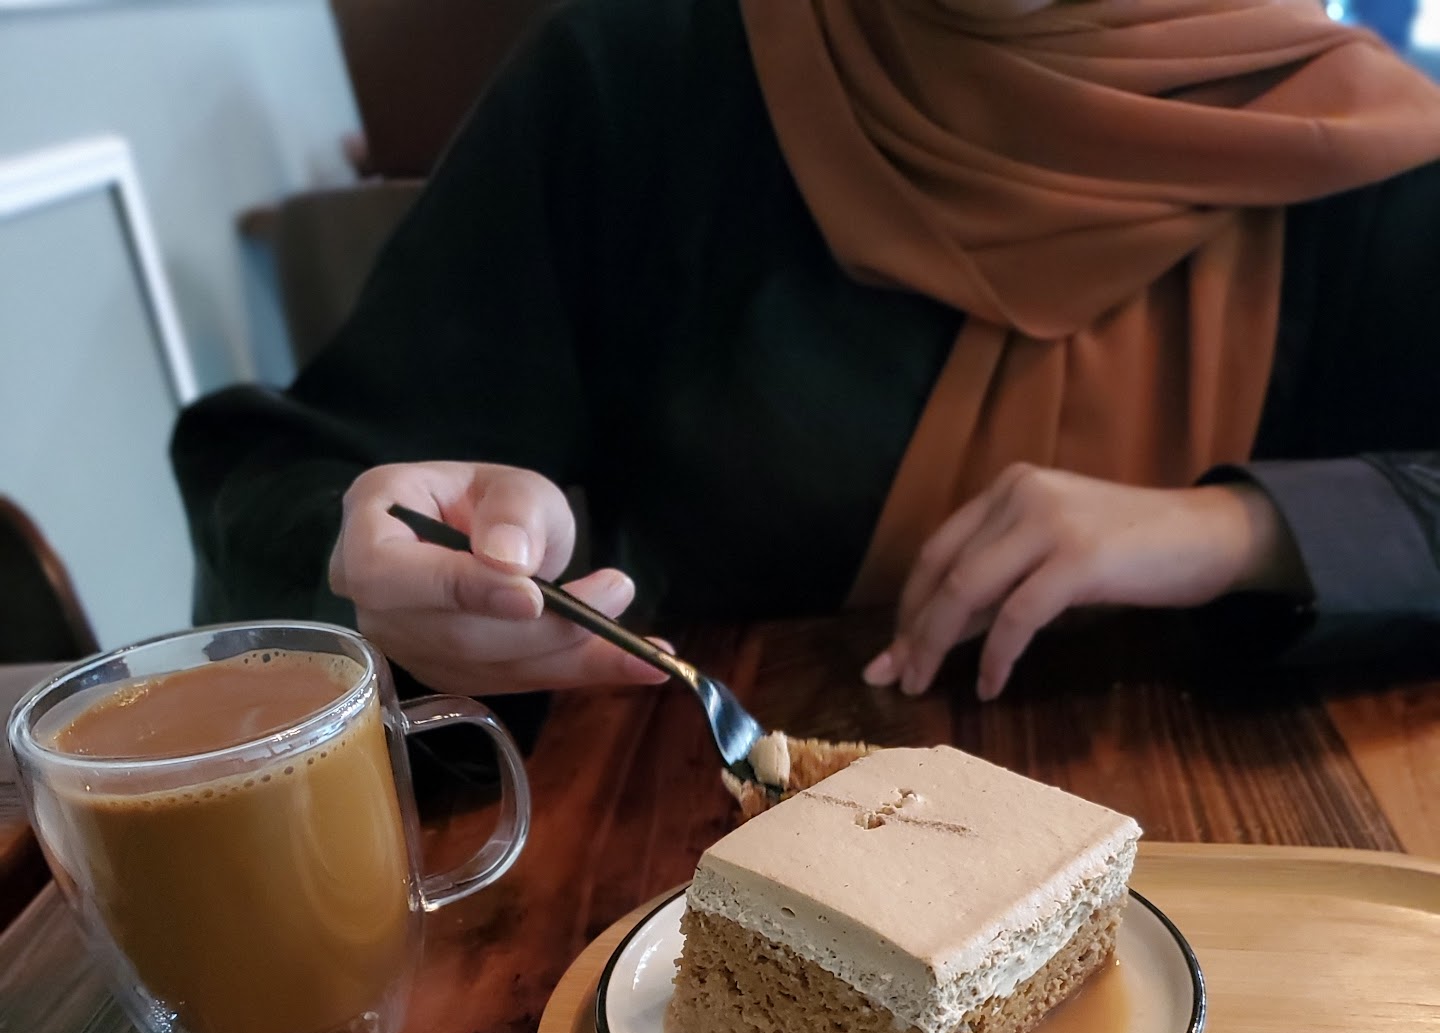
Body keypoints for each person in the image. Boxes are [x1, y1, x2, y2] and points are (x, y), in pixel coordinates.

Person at [172, 0, 1440, 711]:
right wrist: (401, 590)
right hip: (689, 908)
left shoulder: (1363, 145)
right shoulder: (646, 72)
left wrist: (1241, 530)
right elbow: (298, 490)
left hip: (1282, 918)